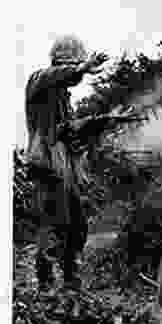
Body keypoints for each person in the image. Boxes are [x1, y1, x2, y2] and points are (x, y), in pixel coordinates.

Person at [24, 35, 109, 289]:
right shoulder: (39, 81)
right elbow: (55, 75)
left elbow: (69, 128)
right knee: (53, 224)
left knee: (76, 223)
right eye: (76, 67)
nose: (79, 76)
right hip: (48, 166)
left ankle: (72, 280)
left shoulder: (61, 96)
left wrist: (104, 120)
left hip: (65, 167)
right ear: (62, 63)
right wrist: (81, 68)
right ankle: (46, 286)